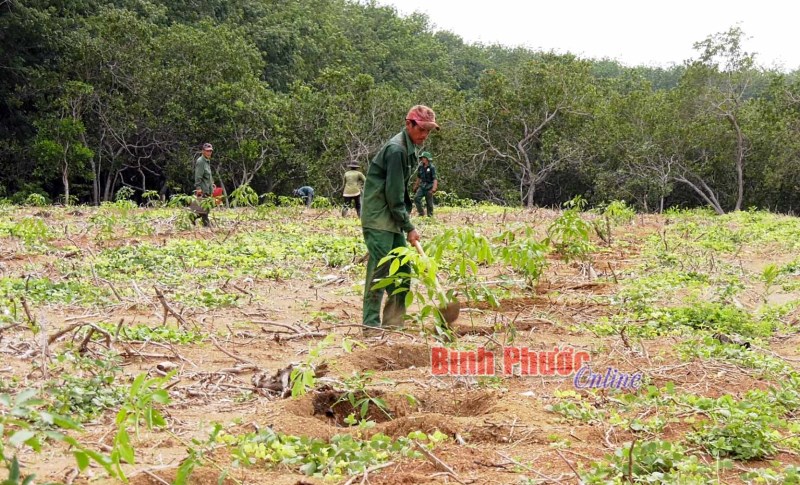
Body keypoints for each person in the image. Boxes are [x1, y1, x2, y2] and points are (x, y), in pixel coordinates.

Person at [361, 105, 439, 333]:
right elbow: (393, 195)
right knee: (380, 272)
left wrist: (403, 222)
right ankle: (370, 326)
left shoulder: (410, 148)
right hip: (379, 218)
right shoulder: (397, 150)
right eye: (422, 130)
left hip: (391, 218)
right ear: (409, 124)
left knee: (403, 272)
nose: (424, 136)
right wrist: (409, 226)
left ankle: (393, 324)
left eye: (428, 132)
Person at [192, 142, 214, 226]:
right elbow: (198, 176)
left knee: (204, 208)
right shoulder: (201, 161)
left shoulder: (207, 161)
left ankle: (206, 224)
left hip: (207, 189)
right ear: (203, 151)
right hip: (202, 190)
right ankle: (205, 224)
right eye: (207, 151)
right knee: (201, 209)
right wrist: (198, 188)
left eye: (210, 151)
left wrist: (211, 183)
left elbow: (207, 176)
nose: (209, 153)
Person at [413, 151, 438, 217]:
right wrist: (416, 186)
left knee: (429, 203)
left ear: (427, 159)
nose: (422, 159)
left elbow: (435, 178)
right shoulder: (420, 167)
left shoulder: (432, 167)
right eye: (422, 158)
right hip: (422, 186)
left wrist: (434, 188)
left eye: (424, 158)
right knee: (416, 198)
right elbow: (418, 178)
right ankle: (421, 213)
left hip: (429, 187)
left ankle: (430, 216)